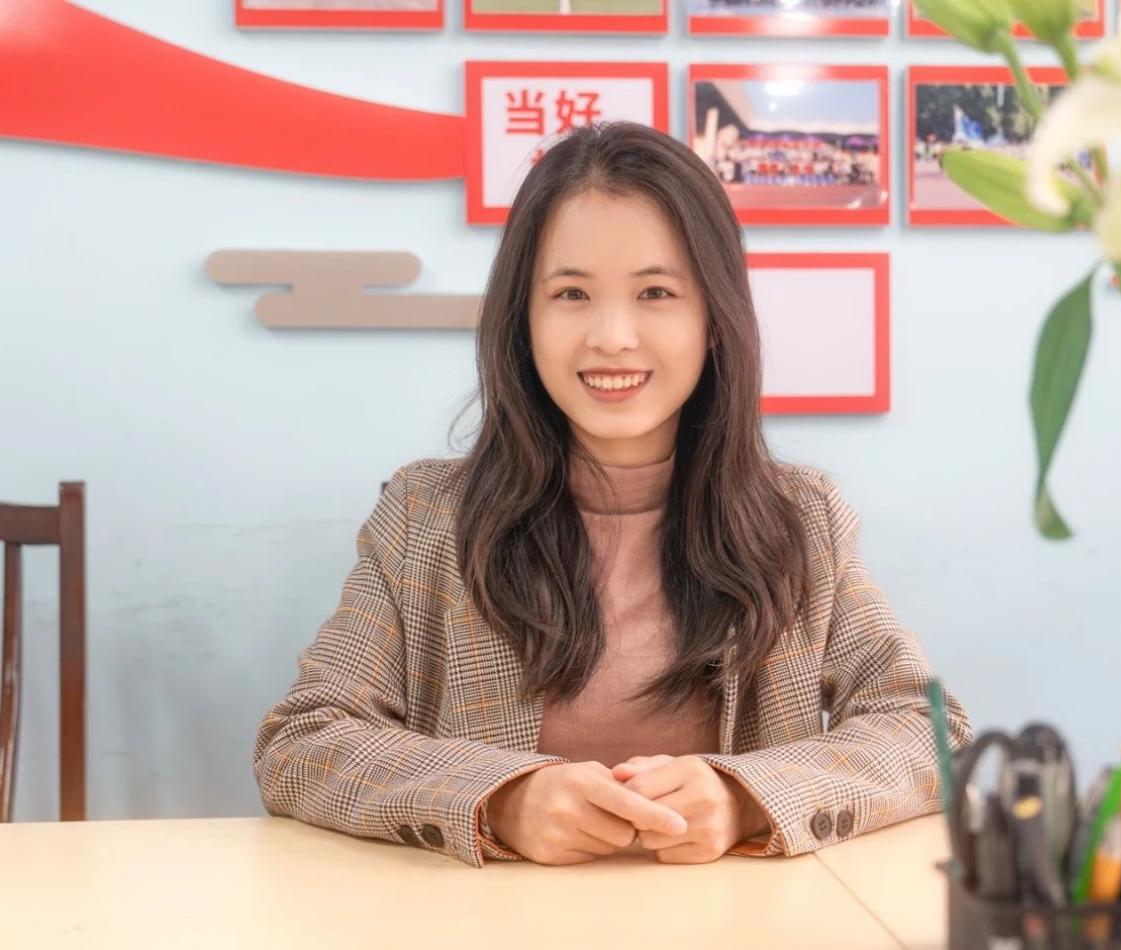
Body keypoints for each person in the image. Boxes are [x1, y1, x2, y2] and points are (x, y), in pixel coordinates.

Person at [252, 121, 971, 870]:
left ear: (713, 318)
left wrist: (746, 796)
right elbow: (304, 738)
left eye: (655, 292)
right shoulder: (425, 516)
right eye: (571, 294)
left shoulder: (800, 522)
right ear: (523, 319)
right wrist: (500, 799)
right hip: (492, 920)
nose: (612, 336)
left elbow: (927, 729)